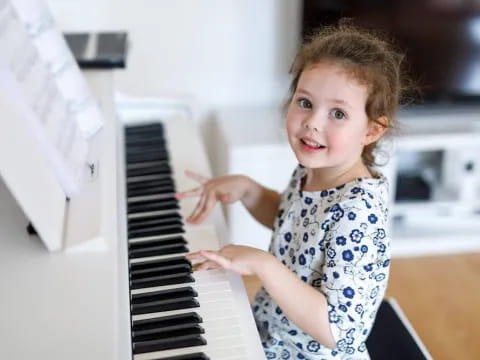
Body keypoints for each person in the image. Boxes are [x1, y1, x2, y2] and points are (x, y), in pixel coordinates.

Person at [175, 23, 407, 359]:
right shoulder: (313, 169)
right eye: (305, 102)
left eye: (338, 113)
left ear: (371, 130)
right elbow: (295, 224)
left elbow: (337, 332)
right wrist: (250, 191)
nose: (313, 122)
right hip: (271, 331)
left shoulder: (359, 212)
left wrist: (265, 265)